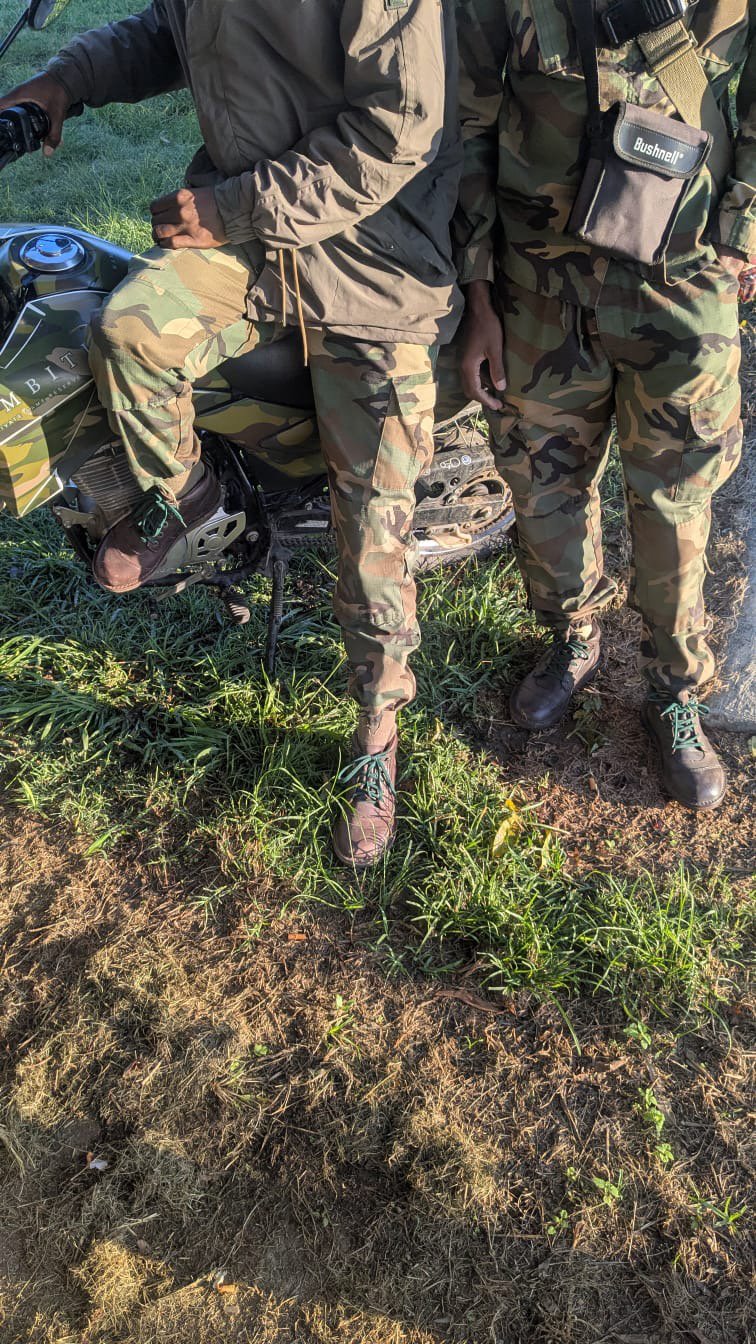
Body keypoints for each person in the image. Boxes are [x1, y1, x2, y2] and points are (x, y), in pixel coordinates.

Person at [0, 0, 463, 867]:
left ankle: (376, 736)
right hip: (249, 243)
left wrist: (232, 206)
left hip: (375, 257)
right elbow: (163, 33)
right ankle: (191, 503)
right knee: (128, 329)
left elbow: (400, 127)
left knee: (373, 530)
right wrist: (66, 81)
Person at [454, 0, 754, 810]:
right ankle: (572, 636)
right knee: (542, 481)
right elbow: (469, 135)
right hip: (538, 289)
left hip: (682, 291)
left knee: (675, 496)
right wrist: (479, 297)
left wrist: (739, 237)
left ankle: (675, 688)